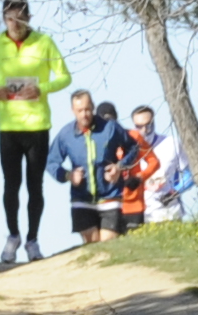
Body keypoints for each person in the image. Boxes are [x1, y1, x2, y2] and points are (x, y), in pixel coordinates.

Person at [0, 0, 70, 265]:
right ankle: (13, 235)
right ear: (3, 19)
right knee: (11, 185)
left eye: (19, 18)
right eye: (9, 18)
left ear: (28, 18)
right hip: (9, 126)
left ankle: (32, 239)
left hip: (37, 125)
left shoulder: (44, 42)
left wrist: (42, 88)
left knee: (35, 186)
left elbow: (65, 76)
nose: (14, 23)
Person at [46, 91, 141, 247]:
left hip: (110, 195)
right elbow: (51, 162)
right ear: (73, 111)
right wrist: (68, 175)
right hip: (82, 198)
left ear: (93, 107)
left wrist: (119, 167)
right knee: (92, 244)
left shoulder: (110, 128)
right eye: (80, 110)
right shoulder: (66, 135)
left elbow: (133, 147)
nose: (85, 114)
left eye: (88, 109)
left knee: (108, 244)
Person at [131, 106, 190, 223]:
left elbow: (190, 175)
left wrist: (174, 192)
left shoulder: (171, 143)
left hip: (170, 213)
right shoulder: (128, 150)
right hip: (142, 216)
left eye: (148, 125)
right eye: (139, 127)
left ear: (154, 122)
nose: (144, 130)